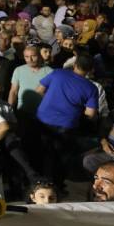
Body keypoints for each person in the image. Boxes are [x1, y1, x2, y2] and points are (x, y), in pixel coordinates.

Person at [35, 55, 98, 191]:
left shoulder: (58, 73)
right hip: (67, 124)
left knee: (43, 152)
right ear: (90, 70)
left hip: (43, 119)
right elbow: (90, 114)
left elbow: (39, 90)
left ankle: (40, 185)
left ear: (75, 65)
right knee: (61, 157)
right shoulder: (91, 88)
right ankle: (56, 185)